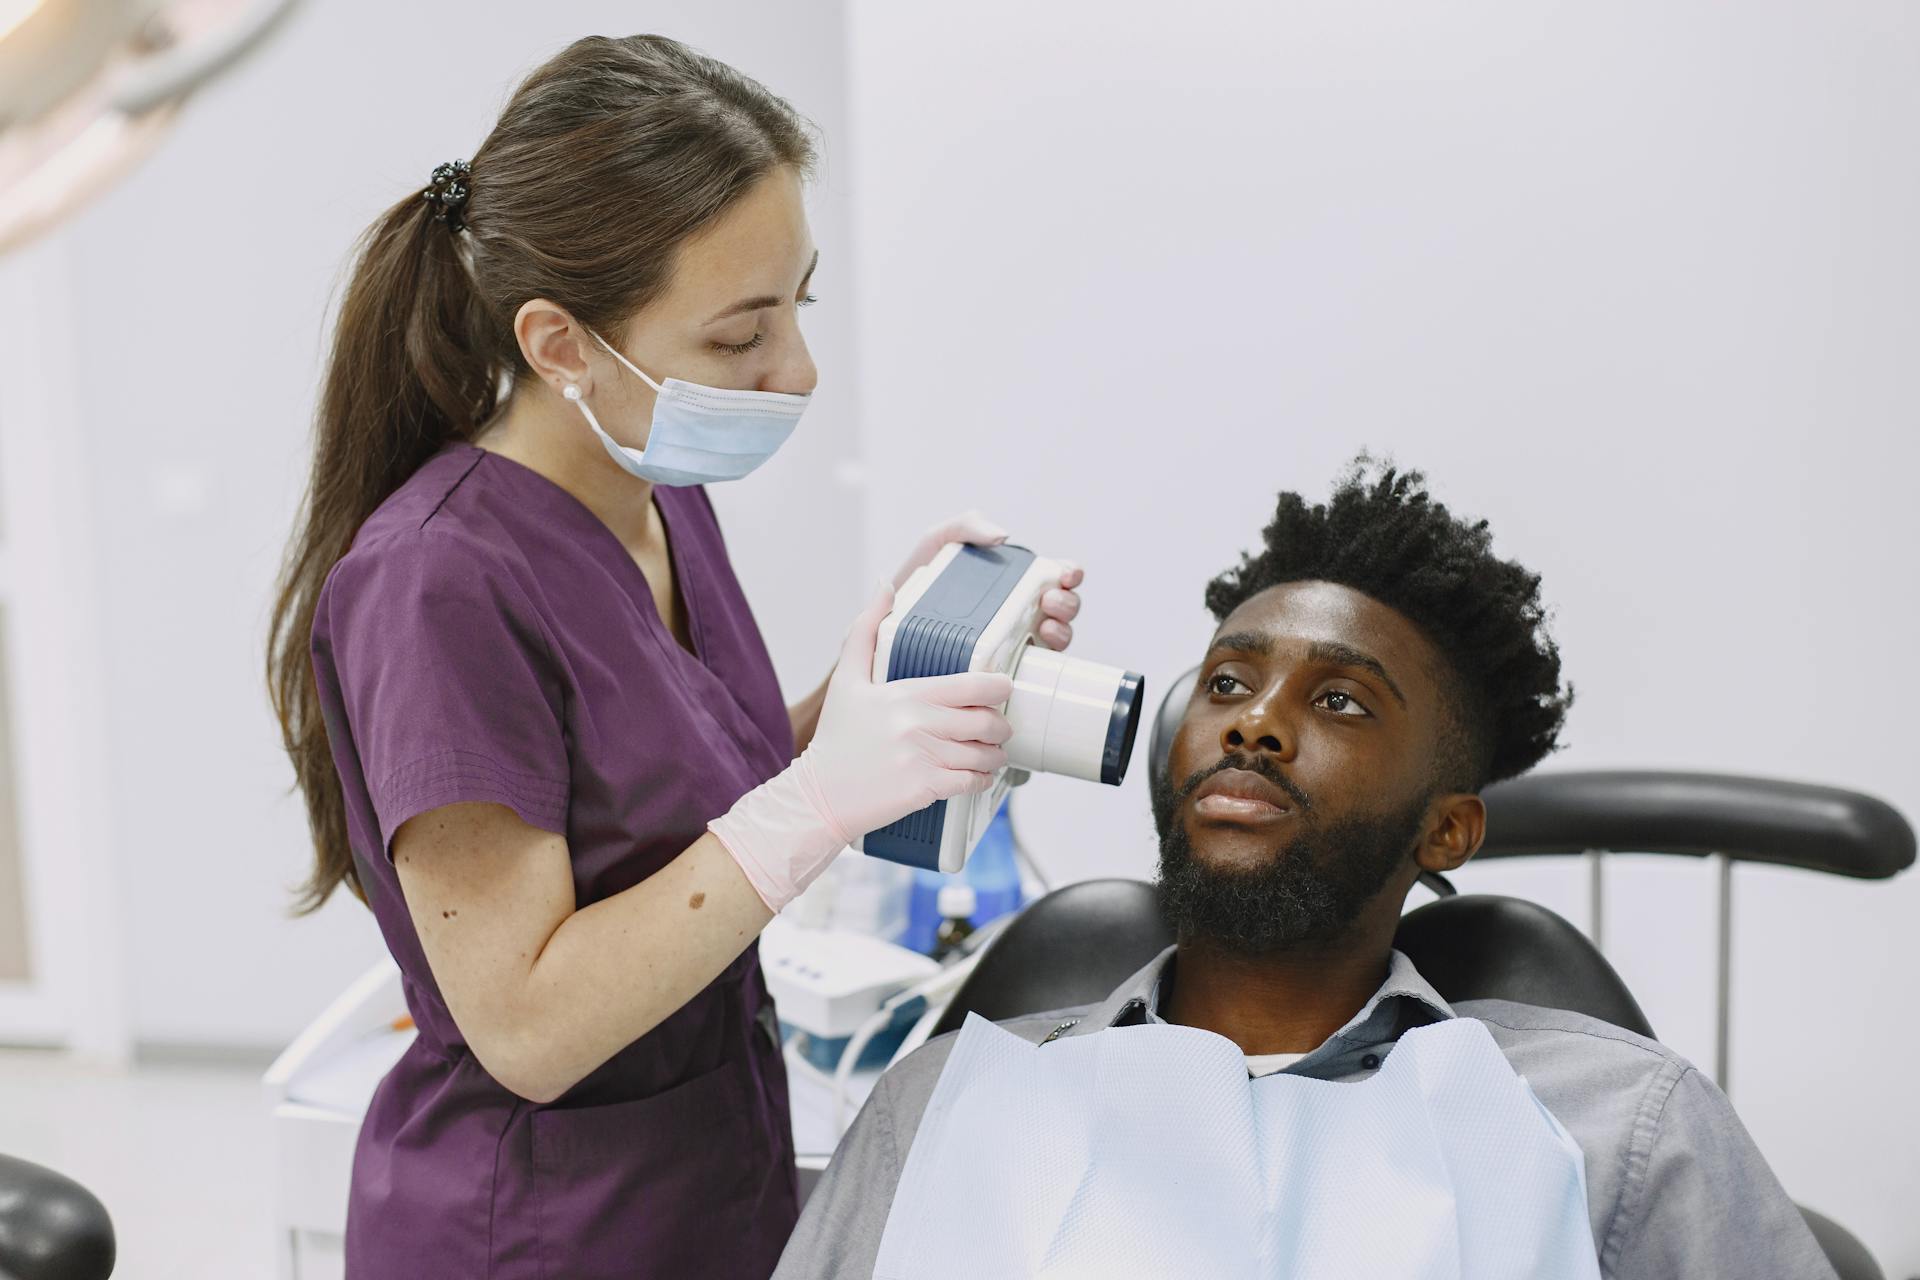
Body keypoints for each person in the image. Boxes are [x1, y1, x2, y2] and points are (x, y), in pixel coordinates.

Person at [264, 34, 1083, 1280]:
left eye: (797, 302)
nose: (795, 370)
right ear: (560, 344)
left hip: (713, 1171)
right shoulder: (437, 582)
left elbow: (693, 787)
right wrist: (817, 803)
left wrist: (896, 700)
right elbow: (529, 1026)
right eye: (740, 333)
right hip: (542, 1223)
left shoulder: (656, 490)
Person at [774, 460, 1837, 1280]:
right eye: (1230, 680)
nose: (1255, 725)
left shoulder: (1625, 1127)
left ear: (1448, 831)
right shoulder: (946, 1101)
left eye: (1340, 701)